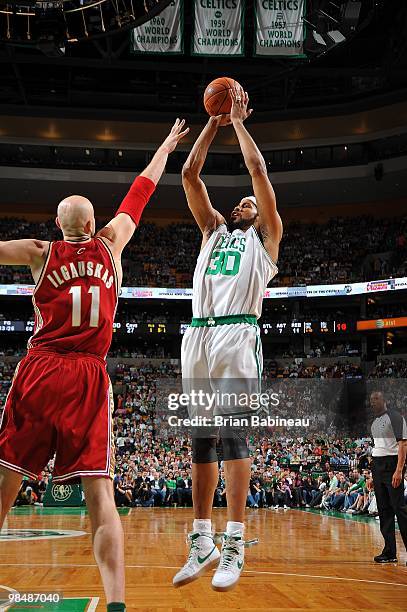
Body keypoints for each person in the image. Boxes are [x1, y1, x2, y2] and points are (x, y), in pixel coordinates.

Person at [0, 119, 188, 612]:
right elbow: (141, 192)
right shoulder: (112, 242)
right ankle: (117, 604)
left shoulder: (39, 253)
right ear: (92, 224)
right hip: (88, 373)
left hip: (40, 368)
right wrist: (165, 144)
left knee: (5, 478)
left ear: (57, 225)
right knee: (99, 495)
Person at [173, 86, 282, 591]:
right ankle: (202, 539)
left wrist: (238, 121)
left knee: (234, 434)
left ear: (260, 216)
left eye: (249, 203)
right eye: (237, 201)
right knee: (200, 440)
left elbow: (258, 174)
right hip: (197, 334)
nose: (243, 202)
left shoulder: (267, 241)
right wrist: (212, 125)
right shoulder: (212, 231)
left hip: (238, 333)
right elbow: (189, 176)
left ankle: (235, 541)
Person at [370, 391, 407, 564]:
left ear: (385, 400)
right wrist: (373, 474)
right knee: (384, 510)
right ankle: (390, 551)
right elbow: (378, 446)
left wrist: (399, 470)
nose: (373, 402)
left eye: (376, 399)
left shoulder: (396, 417)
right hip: (377, 466)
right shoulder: (375, 422)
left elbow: (403, 444)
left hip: (392, 465)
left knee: (400, 509)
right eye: (371, 400)